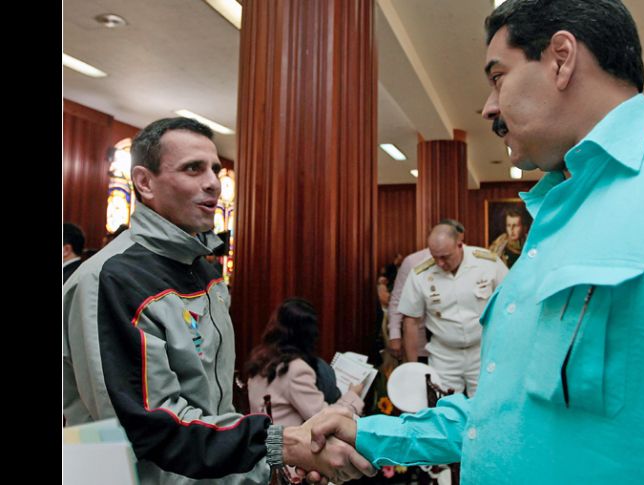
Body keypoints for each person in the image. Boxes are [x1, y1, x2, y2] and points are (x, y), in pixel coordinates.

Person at [306, 0, 644, 483]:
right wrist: (370, 434)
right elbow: (505, 413)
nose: (489, 107)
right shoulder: (555, 215)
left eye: (498, 77)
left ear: (561, 58)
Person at [62, 117, 374, 484]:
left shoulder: (206, 273)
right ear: (145, 182)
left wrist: (269, 465)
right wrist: (281, 445)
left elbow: (212, 407)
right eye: (193, 169)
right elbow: (151, 428)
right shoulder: (113, 279)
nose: (212, 182)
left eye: (214, 168)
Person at [399, 222, 508, 396]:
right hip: (444, 354)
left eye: (445, 257)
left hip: (483, 350)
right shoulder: (420, 274)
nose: (440, 263)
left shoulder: (487, 262)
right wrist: (413, 368)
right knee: (444, 408)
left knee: (486, 404)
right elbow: (410, 321)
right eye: (435, 257)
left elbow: (510, 304)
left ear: (459, 244)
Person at [246, 297, 365, 426]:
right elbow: (323, 418)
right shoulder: (295, 369)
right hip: (281, 443)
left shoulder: (262, 359)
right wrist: (352, 396)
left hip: (263, 440)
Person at [385, 219, 466, 362]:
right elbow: (397, 299)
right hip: (420, 344)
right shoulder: (414, 262)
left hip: (458, 347)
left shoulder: (471, 263)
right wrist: (395, 335)